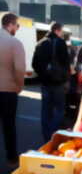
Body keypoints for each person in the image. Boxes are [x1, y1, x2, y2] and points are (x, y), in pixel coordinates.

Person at [32, 22, 71, 142]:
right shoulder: (60, 43)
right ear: (58, 30)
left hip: (45, 83)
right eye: (62, 31)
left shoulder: (40, 43)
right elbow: (66, 63)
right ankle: (53, 133)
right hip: (58, 83)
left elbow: (34, 64)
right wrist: (65, 78)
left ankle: (46, 136)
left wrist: (43, 75)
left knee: (45, 110)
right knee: (60, 109)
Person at [0, 12, 25, 166]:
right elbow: (20, 69)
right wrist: (19, 86)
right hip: (7, 91)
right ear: (10, 24)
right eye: (17, 25)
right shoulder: (14, 43)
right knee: (9, 126)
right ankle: (11, 158)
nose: (18, 28)